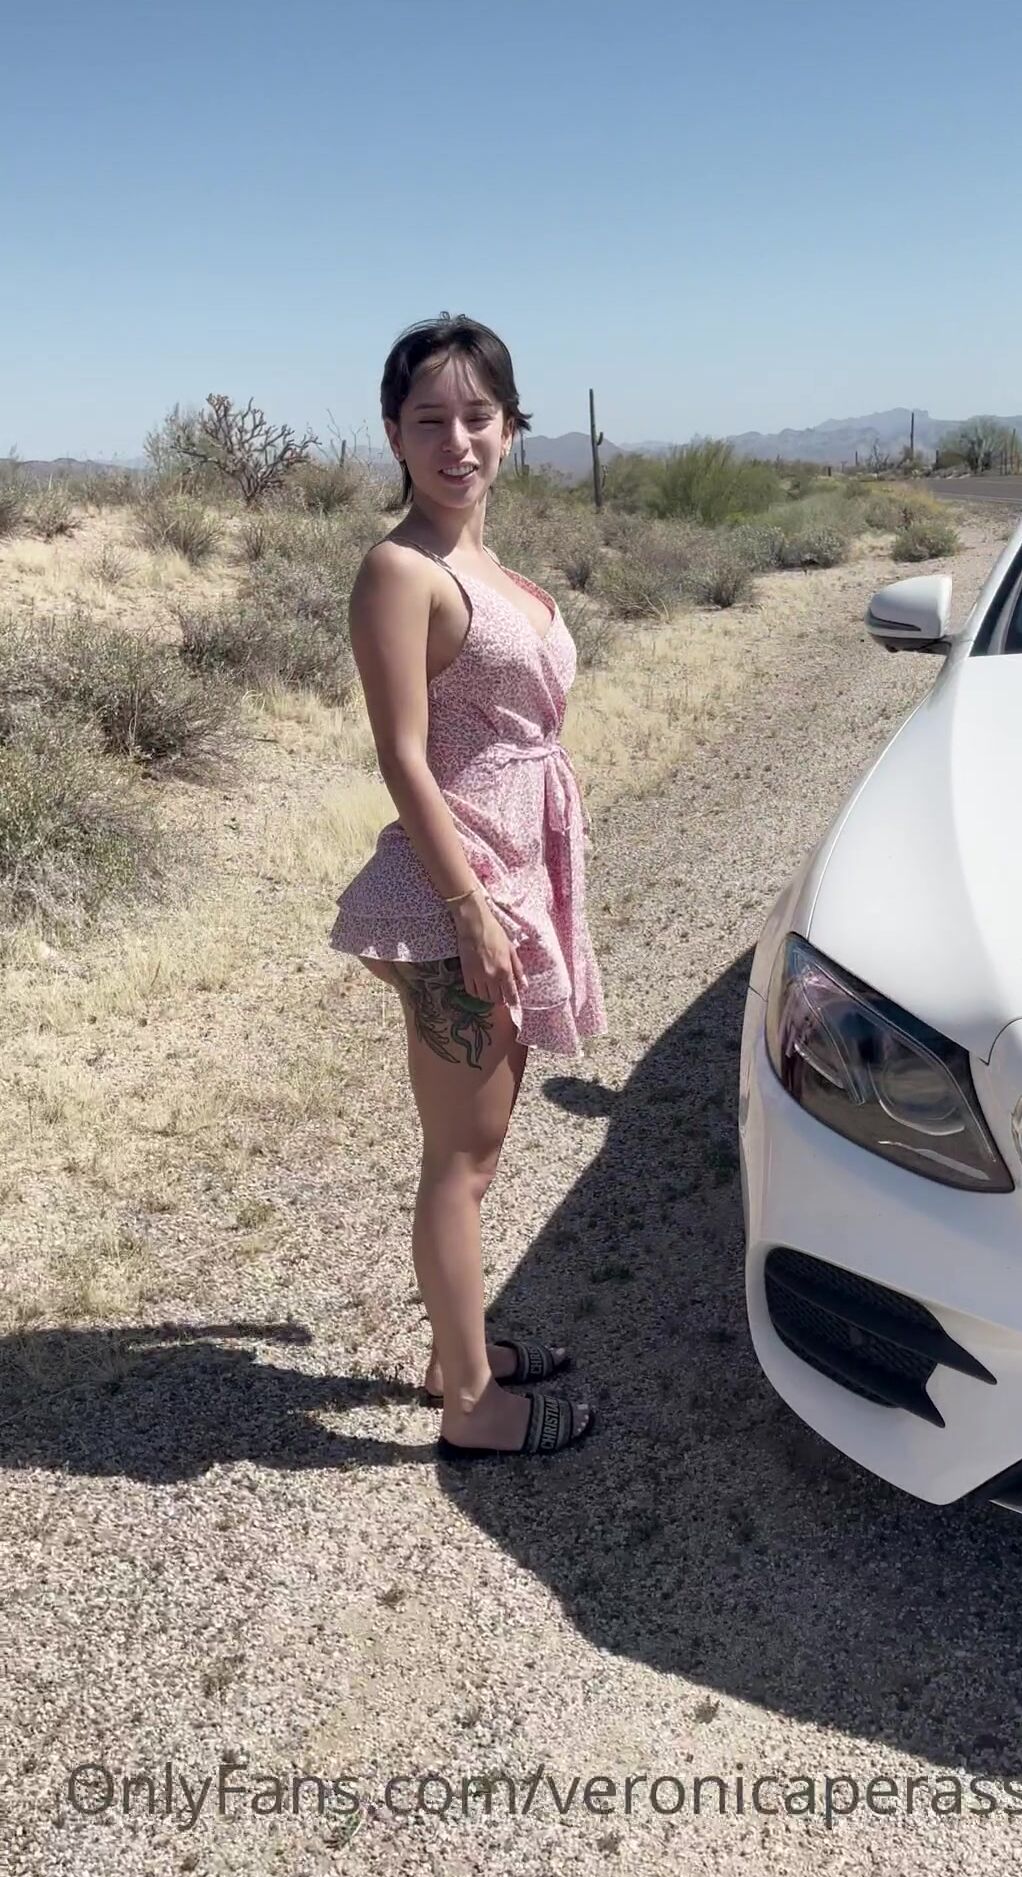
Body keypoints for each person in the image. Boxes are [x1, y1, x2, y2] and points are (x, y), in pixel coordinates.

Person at [329, 314, 608, 1462]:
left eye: (478, 416)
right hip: (461, 891)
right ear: (394, 434)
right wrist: (471, 911)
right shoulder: (402, 570)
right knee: (462, 1155)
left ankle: (461, 1353)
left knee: (480, 1148)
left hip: (516, 878)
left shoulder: (493, 569)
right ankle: (472, 1408)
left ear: (511, 427)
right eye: (429, 419)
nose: (457, 441)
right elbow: (403, 756)